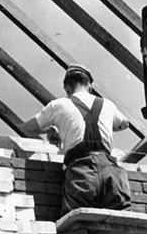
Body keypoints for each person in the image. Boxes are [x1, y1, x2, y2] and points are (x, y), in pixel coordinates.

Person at [20, 64, 131, 214]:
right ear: (90, 86)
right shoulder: (107, 104)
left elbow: (28, 127)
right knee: (120, 226)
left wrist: (51, 128)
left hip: (81, 172)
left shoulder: (59, 105)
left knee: (78, 225)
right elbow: (124, 124)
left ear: (67, 88)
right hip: (111, 172)